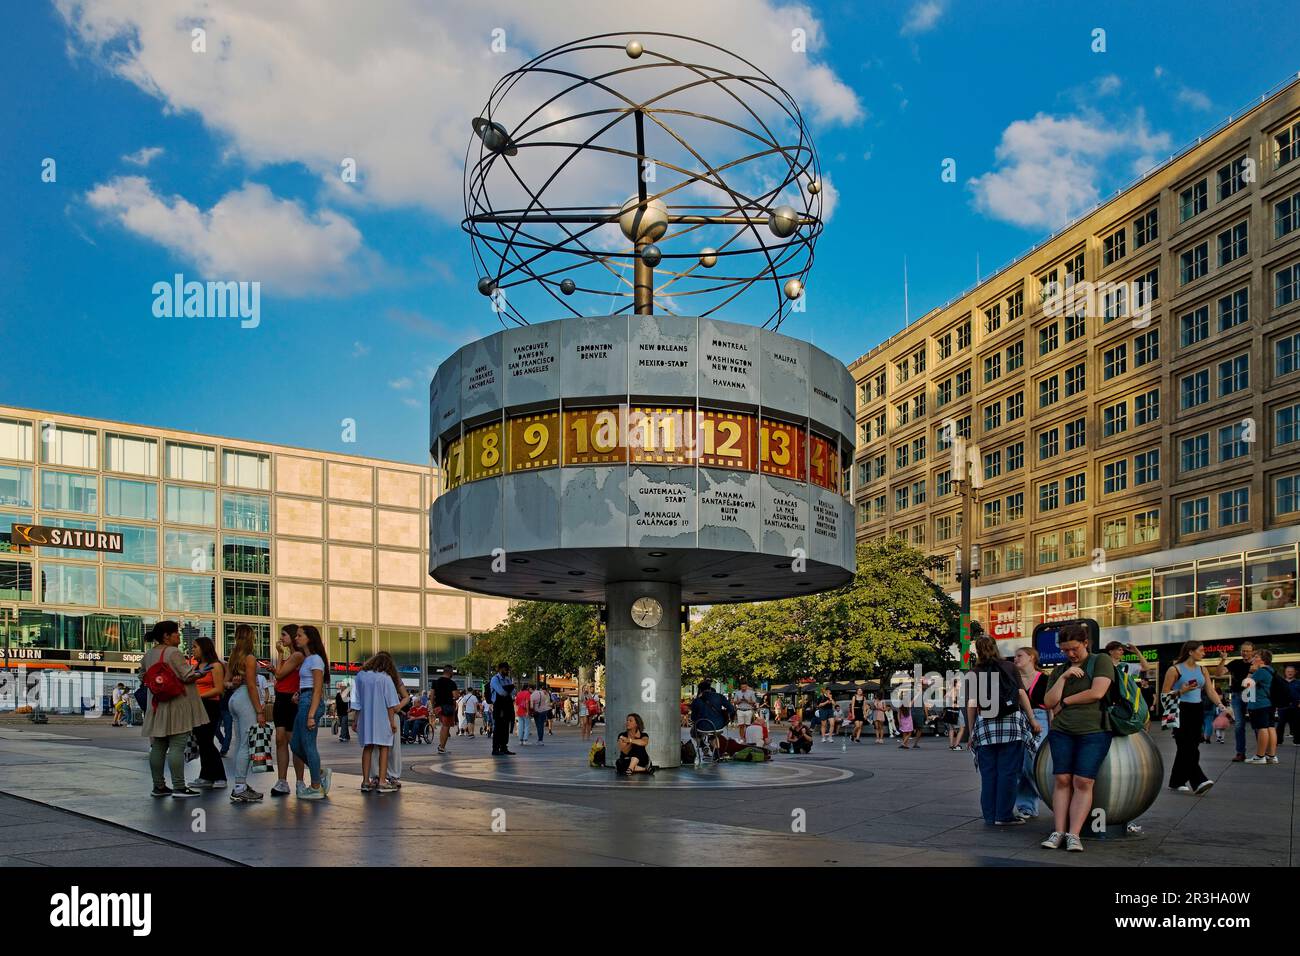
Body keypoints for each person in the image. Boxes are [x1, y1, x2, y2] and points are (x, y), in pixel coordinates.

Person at [1040, 624, 1116, 851]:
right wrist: (1063, 678)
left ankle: (1074, 834)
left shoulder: (1100, 661)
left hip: (1094, 730)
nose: (1070, 654)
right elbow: (1049, 702)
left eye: (1074, 648)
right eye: (1065, 650)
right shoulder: (1060, 670)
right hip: (1062, 730)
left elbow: (1097, 692)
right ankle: (1059, 831)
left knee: (1083, 781)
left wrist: (1067, 701)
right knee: (1062, 780)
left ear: (1085, 643)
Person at [966, 636, 1041, 829]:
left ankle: (990, 816)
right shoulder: (1009, 667)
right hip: (1011, 726)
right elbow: (1021, 694)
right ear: (995, 647)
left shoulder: (974, 672)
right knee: (1008, 773)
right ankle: (1004, 815)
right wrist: (1032, 719)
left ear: (977, 651)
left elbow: (972, 704)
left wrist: (972, 730)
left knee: (988, 774)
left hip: (986, 728)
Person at [139, 622, 208, 798]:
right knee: (177, 745)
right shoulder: (173, 653)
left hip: (157, 704)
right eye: (176, 634)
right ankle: (179, 786)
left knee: (158, 746)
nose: (179, 637)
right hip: (177, 704)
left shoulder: (149, 654)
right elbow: (187, 675)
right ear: (166, 636)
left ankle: (159, 786)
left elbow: (142, 676)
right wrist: (202, 672)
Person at [1161, 640, 1223, 793]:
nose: (1204, 653)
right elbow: (1164, 695)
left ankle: (1176, 781)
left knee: (1191, 746)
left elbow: (1210, 690)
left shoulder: (1203, 670)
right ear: (1190, 651)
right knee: (1187, 747)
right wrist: (1182, 691)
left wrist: (1221, 706)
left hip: (1197, 709)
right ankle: (1198, 780)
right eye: (1201, 650)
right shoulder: (1174, 670)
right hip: (1180, 709)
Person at [290, 624, 331, 799]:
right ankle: (319, 772)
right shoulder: (308, 660)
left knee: (307, 745)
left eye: (299, 635)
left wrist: (311, 714)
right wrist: (299, 694)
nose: (296, 638)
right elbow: (309, 686)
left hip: (310, 704)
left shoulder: (315, 660)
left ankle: (316, 786)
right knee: (295, 745)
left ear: (309, 638)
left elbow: (317, 689)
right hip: (305, 701)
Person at [226, 625, 267, 803]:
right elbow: (252, 685)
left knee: (239, 743)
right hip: (245, 700)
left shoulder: (233, 657)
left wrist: (234, 683)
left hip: (234, 698)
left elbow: (225, 683)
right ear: (252, 638)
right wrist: (259, 710)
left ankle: (240, 785)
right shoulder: (250, 658)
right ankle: (240, 786)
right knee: (246, 744)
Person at [350, 652, 401, 792]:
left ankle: (365, 781)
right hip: (382, 718)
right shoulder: (385, 678)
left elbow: (356, 700)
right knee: (384, 747)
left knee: (368, 747)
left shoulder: (360, 676)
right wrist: (392, 722)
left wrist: (355, 720)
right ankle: (382, 782)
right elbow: (390, 703)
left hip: (366, 719)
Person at [1012, 646, 1049, 820]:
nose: (1015, 659)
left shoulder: (1044, 679)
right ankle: (1027, 806)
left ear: (1032, 657)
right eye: (1015, 656)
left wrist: (1053, 725)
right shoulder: (1014, 679)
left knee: (1032, 762)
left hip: (1039, 719)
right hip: (1018, 720)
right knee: (1020, 765)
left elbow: (1051, 705)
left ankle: (1052, 796)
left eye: (1019, 655)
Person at [270, 624, 305, 798]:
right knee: (280, 739)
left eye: (284, 635)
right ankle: (282, 780)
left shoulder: (297, 655)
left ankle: (299, 780)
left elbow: (279, 674)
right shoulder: (290, 656)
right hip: (281, 698)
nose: (281, 638)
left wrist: (280, 653)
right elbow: (279, 674)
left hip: (291, 699)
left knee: (293, 741)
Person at [190, 636, 228, 790]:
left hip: (210, 705)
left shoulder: (215, 666)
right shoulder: (196, 666)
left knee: (207, 740)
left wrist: (198, 696)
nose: (192, 650)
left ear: (204, 648)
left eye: (195, 647)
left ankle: (220, 776)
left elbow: (219, 689)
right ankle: (205, 775)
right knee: (201, 741)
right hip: (197, 705)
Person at [1221, 642, 1257, 762]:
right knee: (1239, 724)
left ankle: (1261, 753)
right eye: (1243, 650)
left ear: (1253, 651)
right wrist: (1223, 660)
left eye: (1247, 651)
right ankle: (1240, 753)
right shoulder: (1235, 663)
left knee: (1257, 724)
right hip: (1237, 695)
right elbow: (1219, 673)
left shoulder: (1257, 663)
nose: (1245, 653)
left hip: (1252, 694)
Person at [1243, 650, 1280, 765]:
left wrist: (1250, 671)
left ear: (1262, 659)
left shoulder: (1260, 671)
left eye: (1256, 656)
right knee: (1271, 727)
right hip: (1269, 703)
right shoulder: (1271, 670)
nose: (1253, 658)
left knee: (1262, 728)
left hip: (1259, 704)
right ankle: (1271, 756)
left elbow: (1245, 684)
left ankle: (1260, 756)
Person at [489, 662, 516, 756]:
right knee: (498, 728)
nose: (507, 671)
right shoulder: (495, 679)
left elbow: (514, 692)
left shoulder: (508, 679)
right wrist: (508, 690)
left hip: (507, 705)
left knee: (505, 727)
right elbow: (501, 692)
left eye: (507, 669)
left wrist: (509, 690)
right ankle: (495, 749)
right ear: (500, 669)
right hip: (499, 706)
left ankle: (504, 747)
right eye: (505, 669)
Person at [431, 664, 457, 754]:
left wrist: (433, 706)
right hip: (448, 707)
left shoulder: (435, 682)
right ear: (450, 672)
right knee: (446, 727)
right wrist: (453, 700)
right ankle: (442, 747)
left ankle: (441, 745)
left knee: (443, 726)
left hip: (438, 707)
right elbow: (455, 696)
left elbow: (432, 695)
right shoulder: (451, 683)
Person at [1277, 664, 1300, 746]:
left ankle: (1297, 741)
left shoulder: (1299, 682)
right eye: (1288, 671)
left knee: (1296, 724)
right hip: (1283, 707)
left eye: (1291, 671)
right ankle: (1278, 741)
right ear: (1285, 672)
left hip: (1296, 706)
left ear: (1295, 672)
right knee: (1280, 724)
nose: (1289, 673)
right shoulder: (1280, 683)